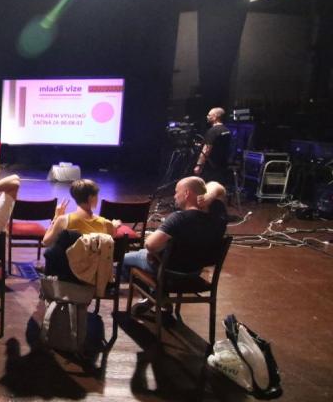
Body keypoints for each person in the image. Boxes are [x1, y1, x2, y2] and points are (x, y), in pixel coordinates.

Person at [122, 176, 227, 312]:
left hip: (169, 271)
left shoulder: (178, 218)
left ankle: (155, 296)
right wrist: (209, 197)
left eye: (177, 192)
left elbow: (150, 246)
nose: (174, 196)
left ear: (187, 193)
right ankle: (157, 297)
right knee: (146, 254)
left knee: (122, 260)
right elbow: (218, 187)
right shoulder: (217, 219)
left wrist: (153, 244)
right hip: (194, 271)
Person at [42, 179, 120, 247]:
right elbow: (111, 238)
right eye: (96, 195)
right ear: (91, 198)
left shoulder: (63, 220)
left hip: (71, 260)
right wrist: (114, 226)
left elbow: (46, 242)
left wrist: (56, 217)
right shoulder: (106, 224)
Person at [194, 107, 231, 184]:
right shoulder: (227, 130)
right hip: (223, 165)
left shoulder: (212, 131)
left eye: (209, 115)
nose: (207, 117)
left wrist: (199, 165)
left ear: (215, 117)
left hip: (211, 167)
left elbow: (206, 150)